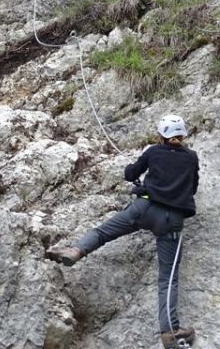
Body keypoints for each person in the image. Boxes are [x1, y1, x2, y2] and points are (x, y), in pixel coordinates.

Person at [45, 115, 200, 349]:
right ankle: (169, 333)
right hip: (171, 221)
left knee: (103, 232)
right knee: (168, 278)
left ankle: (76, 250)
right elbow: (193, 187)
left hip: (143, 208)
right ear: (183, 135)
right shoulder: (191, 158)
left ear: (161, 135)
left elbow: (129, 174)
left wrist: (135, 169)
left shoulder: (154, 151)